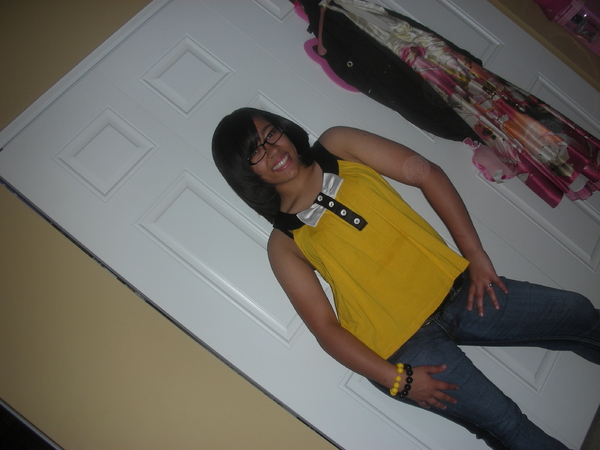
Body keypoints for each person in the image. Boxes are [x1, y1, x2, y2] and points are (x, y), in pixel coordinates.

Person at [212, 107, 600, 450]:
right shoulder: (283, 244)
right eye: (254, 152)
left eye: (271, 134)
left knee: (576, 313)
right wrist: (397, 380)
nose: (272, 151)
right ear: (246, 172)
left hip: (461, 292)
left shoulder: (338, 145)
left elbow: (427, 174)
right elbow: (326, 329)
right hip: (404, 350)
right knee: (506, 422)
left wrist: (475, 256)